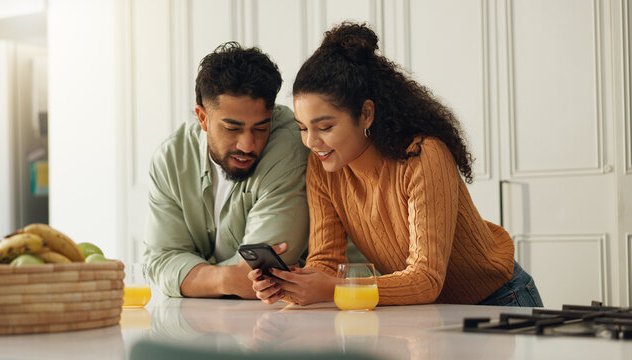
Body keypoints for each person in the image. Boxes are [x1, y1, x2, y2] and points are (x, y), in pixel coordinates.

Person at [249, 23, 543, 307]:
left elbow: (426, 278)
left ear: (365, 114)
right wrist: (291, 286)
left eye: (324, 127)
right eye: (303, 128)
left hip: (501, 300)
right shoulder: (323, 167)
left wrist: (333, 290)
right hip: (429, 310)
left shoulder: (422, 155)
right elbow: (327, 261)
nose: (311, 142)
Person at [143, 42, 309, 299]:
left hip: (288, 322)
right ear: (202, 118)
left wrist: (194, 277)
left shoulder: (288, 143)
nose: (247, 144)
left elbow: (268, 274)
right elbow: (159, 261)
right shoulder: (171, 158)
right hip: (201, 324)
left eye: (260, 128)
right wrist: (226, 280)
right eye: (232, 129)